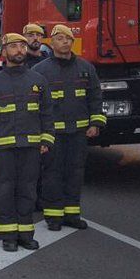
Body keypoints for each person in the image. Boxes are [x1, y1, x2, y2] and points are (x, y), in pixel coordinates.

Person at [0, 33, 54, 252]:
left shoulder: (38, 81)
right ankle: (8, 234)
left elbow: (47, 114)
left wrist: (46, 139)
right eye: (14, 46)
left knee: (28, 190)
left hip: (31, 148)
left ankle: (26, 234)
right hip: (2, 150)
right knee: (4, 191)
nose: (19, 50)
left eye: (22, 46)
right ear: (4, 51)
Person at [33, 24, 104, 230]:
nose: (65, 42)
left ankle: (72, 214)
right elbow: (34, 104)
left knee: (75, 173)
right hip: (53, 134)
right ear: (52, 43)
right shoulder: (40, 70)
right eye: (60, 38)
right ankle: (53, 217)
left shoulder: (86, 68)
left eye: (69, 39)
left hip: (79, 133)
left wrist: (96, 122)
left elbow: (95, 96)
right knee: (52, 174)